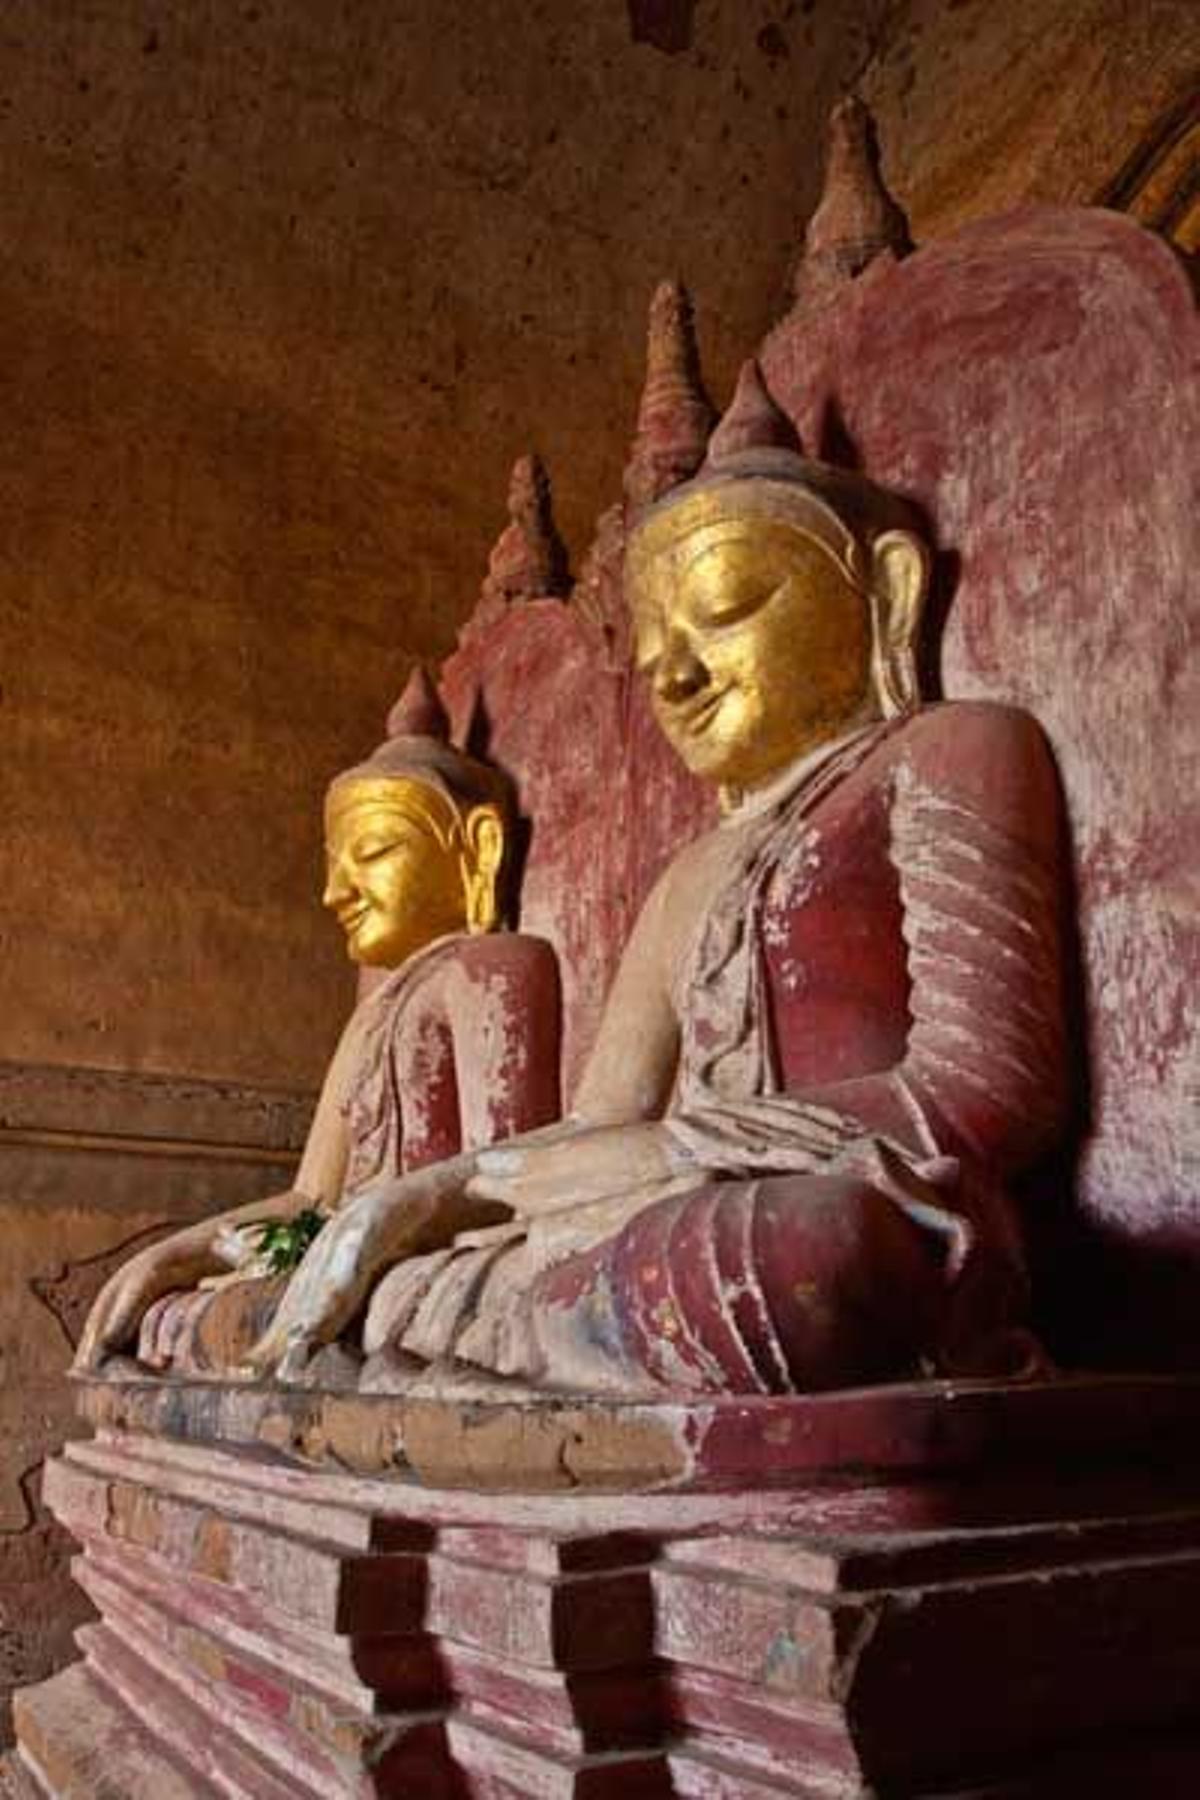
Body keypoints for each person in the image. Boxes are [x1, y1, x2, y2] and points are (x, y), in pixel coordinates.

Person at [73, 669, 561, 1377]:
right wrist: (170, 1257)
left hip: (427, 1264)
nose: (337, 891)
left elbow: (509, 1182)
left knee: (429, 1305)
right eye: (336, 862)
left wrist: (374, 1229)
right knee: (181, 1320)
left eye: (373, 851)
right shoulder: (372, 1019)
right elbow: (311, 1198)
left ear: (477, 848)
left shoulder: (493, 969)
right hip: (349, 1256)